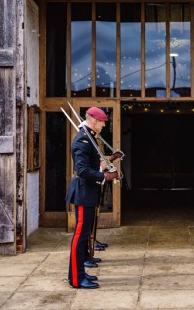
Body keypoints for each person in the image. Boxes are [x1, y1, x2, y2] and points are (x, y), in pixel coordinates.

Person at [66, 107, 119, 289]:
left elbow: (92, 165)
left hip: (88, 193)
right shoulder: (82, 139)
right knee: (80, 237)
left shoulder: (89, 138)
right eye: (103, 121)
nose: (104, 124)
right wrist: (105, 176)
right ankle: (75, 279)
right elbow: (81, 169)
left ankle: (79, 273)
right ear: (94, 120)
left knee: (83, 236)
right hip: (83, 193)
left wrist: (106, 166)